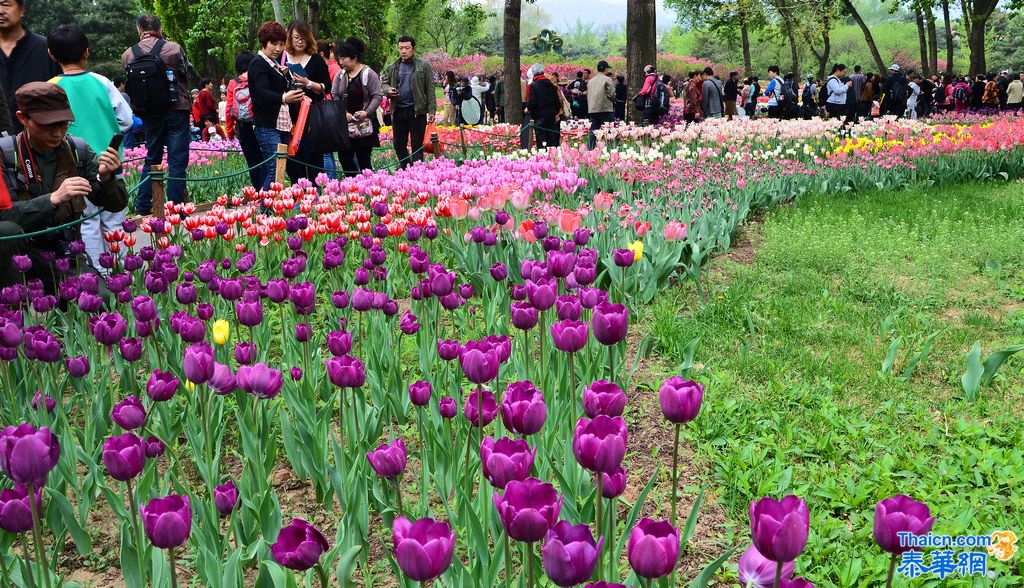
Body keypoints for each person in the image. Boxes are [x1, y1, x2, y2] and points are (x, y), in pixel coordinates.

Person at [0, 83, 128, 291]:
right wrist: (52, 199)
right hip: (18, 257)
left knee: (100, 300)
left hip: (64, 254)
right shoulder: (5, 155)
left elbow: (116, 205)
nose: (57, 133)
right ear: (23, 118)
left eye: (64, 124)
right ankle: (13, 308)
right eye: (48, 125)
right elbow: (4, 219)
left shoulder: (78, 150)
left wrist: (107, 179)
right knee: (6, 233)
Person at [46, 25, 132, 278]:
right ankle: (123, 273)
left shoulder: (51, 87)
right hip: (110, 161)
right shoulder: (101, 82)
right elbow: (125, 120)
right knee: (115, 219)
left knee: (87, 223)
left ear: (52, 55)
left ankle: (99, 276)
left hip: (70, 168)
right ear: (87, 52)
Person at [121, 14, 191, 215]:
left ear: (138, 30)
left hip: (150, 113)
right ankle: (176, 209)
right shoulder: (174, 48)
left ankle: (143, 206)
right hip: (176, 110)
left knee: (153, 158)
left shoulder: (128, 55)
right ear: (160, 29)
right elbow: (187, 72)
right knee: (177, 160)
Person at [248, 21, 305, 191]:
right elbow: (262, 93)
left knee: (279, 168)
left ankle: (273, 211)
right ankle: (265, 212)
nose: (278, 48)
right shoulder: (258, 63)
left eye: (281, 44)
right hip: (267, 124)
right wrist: (284, 97)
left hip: (282, 124)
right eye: (273, 43)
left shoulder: (274, 65)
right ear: (263, 42)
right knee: (274, 168)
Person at [281, 20, 330, 182]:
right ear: (290, 38)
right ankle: (297, 193)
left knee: (313, 155)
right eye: (296, 37)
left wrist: (307, 82)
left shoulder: (315, 59)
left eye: (303, 38)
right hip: (288, 116)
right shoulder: (282, 57)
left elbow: (326, 87)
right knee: (293, 158)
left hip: (311, 116)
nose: (300, 41)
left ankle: (317, 193)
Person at [0, 0, 58, 133]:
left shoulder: (45, 50)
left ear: (22, 9)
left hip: (38, 143)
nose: (1, 10)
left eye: (6, 5)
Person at [381, 35, 435, 168]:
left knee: (417, 145)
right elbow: (384, 84)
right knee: (398, 144)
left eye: (407, 48)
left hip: (417, 111)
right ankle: (406, 168)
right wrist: (388, 90)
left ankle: (418, 172)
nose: (404, 51)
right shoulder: (392, 67)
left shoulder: (424, 66)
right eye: (401, 48)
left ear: (413, 49)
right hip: (398, 110)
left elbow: (430, 90)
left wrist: (432, 110)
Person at [331, 37, 382, 177]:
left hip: (364, 125)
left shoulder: (368, 74)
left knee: (364, 161)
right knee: (345, 159)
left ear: (354, 57)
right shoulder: (340, 75)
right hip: (345, 125)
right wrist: (343, 112)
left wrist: (367, 112)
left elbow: (377, 95)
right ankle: (352, 185)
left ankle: (367, 188)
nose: (341, 62)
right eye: (339, 59)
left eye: (344, 59)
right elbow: (334, 94)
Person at [225, 50, 264, 188]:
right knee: (264, 159)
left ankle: (258, 192)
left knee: (252, 161)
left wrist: (229, 131)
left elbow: (229, 108)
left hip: (243, 126)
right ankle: (268, 193)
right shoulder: (258, 77)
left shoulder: (233, 83)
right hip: (260, 123)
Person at [526, 64, 560, 149]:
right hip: (551, 115)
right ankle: (553, 156)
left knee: (541, 139)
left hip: (540, 116)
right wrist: (556, 112)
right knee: (551, 137)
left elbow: (532, 102)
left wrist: (528, 108)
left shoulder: (534, 85)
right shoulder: (551, 84)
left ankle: (542, 157)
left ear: (534, 73)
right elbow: (557, 101)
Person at [587, 60, 615, 149]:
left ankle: (591, 149)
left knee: (593, 131)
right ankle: (609, 149)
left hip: (593, 110)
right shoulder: (607, 79)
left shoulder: (591, 81)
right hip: (605, 109)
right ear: (606, 69)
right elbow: (612, 94)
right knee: (609, 131)